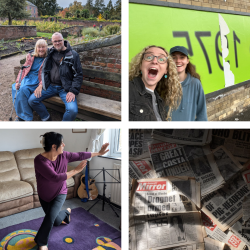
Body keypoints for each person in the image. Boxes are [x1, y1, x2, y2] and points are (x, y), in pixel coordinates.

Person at [34, 132, 109, 250]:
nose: (64, 144)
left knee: (49, 218)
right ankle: (66, 212)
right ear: (54, 146)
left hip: (60, 192)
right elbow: (55, 177)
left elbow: (80, 155)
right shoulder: (39, 160)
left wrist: (99, 153)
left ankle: (41, 242)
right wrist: (76, 170)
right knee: (56, 221)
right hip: (44, 195)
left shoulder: (65, 155)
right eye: (61, 143)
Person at [28, 32, 83, 121]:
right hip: (50, 86)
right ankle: (46, 117)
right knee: (32, 100)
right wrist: (41, 84)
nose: (57, 43)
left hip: (65, 88)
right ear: (52, 42)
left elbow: (78, 75)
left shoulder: (73, 55)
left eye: (59, 41)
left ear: (63, 40)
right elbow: (38, 51)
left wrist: (73, 91)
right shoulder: (50, 52)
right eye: (55, 41)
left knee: (72, 110)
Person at [129, 45, 182, 121]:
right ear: (140, 65)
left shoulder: (160, 101)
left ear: (166, 70)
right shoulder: (128, 90)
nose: (154, 61)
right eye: (149, 57)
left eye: (161, 59)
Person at [12, 39, 48, 121]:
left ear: (46, 48)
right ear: (36, 48)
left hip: (37, 79)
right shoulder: (31, 56)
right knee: (15, 87)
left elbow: (47, 74)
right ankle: (20, 114)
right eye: (39, 47)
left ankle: (27, 117)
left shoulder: (48, 59)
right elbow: (23, 69)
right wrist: (18, 81)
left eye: (43, 47)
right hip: (27, 77)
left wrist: (41, 85)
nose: (41, 49)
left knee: (23, 89)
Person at [169, 46, 207, 121]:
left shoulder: (195, 84)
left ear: (187, 60)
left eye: (182, 57)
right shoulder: (163, 84)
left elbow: (202, 115)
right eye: (174, 58)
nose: (178, 61)